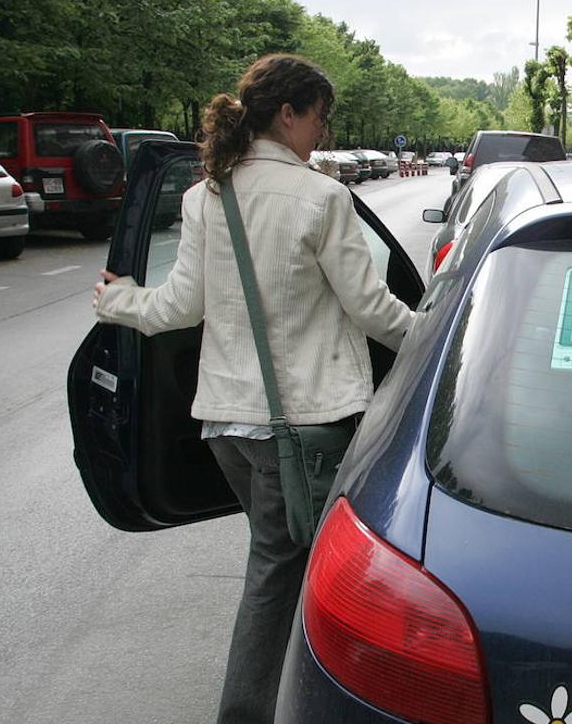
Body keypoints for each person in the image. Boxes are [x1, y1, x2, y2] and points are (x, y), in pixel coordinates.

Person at [91, 54, 415, 723]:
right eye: (319, 118)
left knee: (291, 565)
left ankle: (305, 690)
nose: (322, 135)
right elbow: (374, 310)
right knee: (279, 579)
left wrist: (119, 301)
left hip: (227, 431)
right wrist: (448, 344)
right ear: (287, 113)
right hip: (301, 431)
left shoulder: (207, 193)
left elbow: (178, 308)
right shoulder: (321, 198)